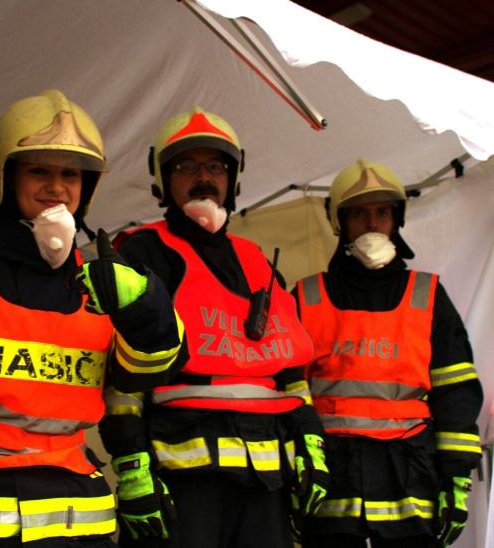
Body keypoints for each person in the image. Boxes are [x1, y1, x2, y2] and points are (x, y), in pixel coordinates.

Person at [0, 89, 184, 546]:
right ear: (6, 175)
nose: (56, 187)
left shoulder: (103, 277)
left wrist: (145, 307)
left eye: (70, 174)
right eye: (39, 171)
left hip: (78, 508)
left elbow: (143, 375)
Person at [98, 106, 327, 548]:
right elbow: (121, 378)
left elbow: (291, 372)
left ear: (233, 178)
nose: (203, 177)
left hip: (265, 479)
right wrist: (132, 466)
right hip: (183, 477)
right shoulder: (144, 254)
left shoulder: (257, 260)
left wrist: (312, 446)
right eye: (186, 166)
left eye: (216, 166)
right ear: (163, 179)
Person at [293, 159, 483, 548]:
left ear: (397, 220)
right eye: (359, 214)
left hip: (409, 476)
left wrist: (456, 475)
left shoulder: (427, 296)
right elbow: (288, 389)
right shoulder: (306, 297)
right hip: (331, 479)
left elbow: (456, 391)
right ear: (339, 222)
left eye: (382, 212)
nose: (372, 224)